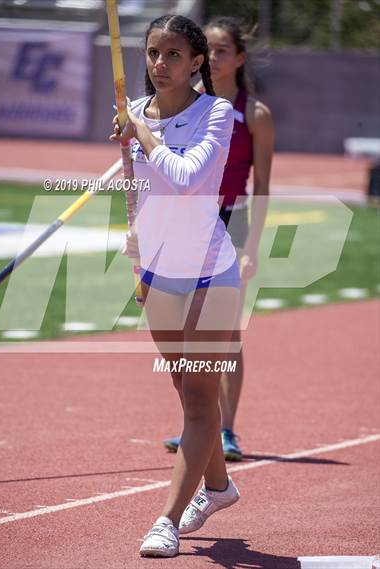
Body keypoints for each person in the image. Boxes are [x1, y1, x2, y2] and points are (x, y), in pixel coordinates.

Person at [111, 14, 242, 558]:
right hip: (157, 271)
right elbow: (140, 187)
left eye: (171, 54)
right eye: (151, 53)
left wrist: (141, 133)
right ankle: (218, 488)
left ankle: (165, 520)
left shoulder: (218, 113)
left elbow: (188, 179)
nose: (158, 64)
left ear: (196, 64)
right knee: (185, 390)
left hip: (211, 272)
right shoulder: (137, 112)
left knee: (197, 400)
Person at [163, 16, 274, 461]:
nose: (213, 57)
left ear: (239, 58)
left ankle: (226, 430)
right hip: (189, 223)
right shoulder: (190, 106)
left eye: (222, 49)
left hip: (233, 219)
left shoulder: (255, 114)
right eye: (206, 49)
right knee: (188, 332)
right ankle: (198, 422)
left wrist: (252, 246)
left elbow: (262, 184)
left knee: (226, 335)